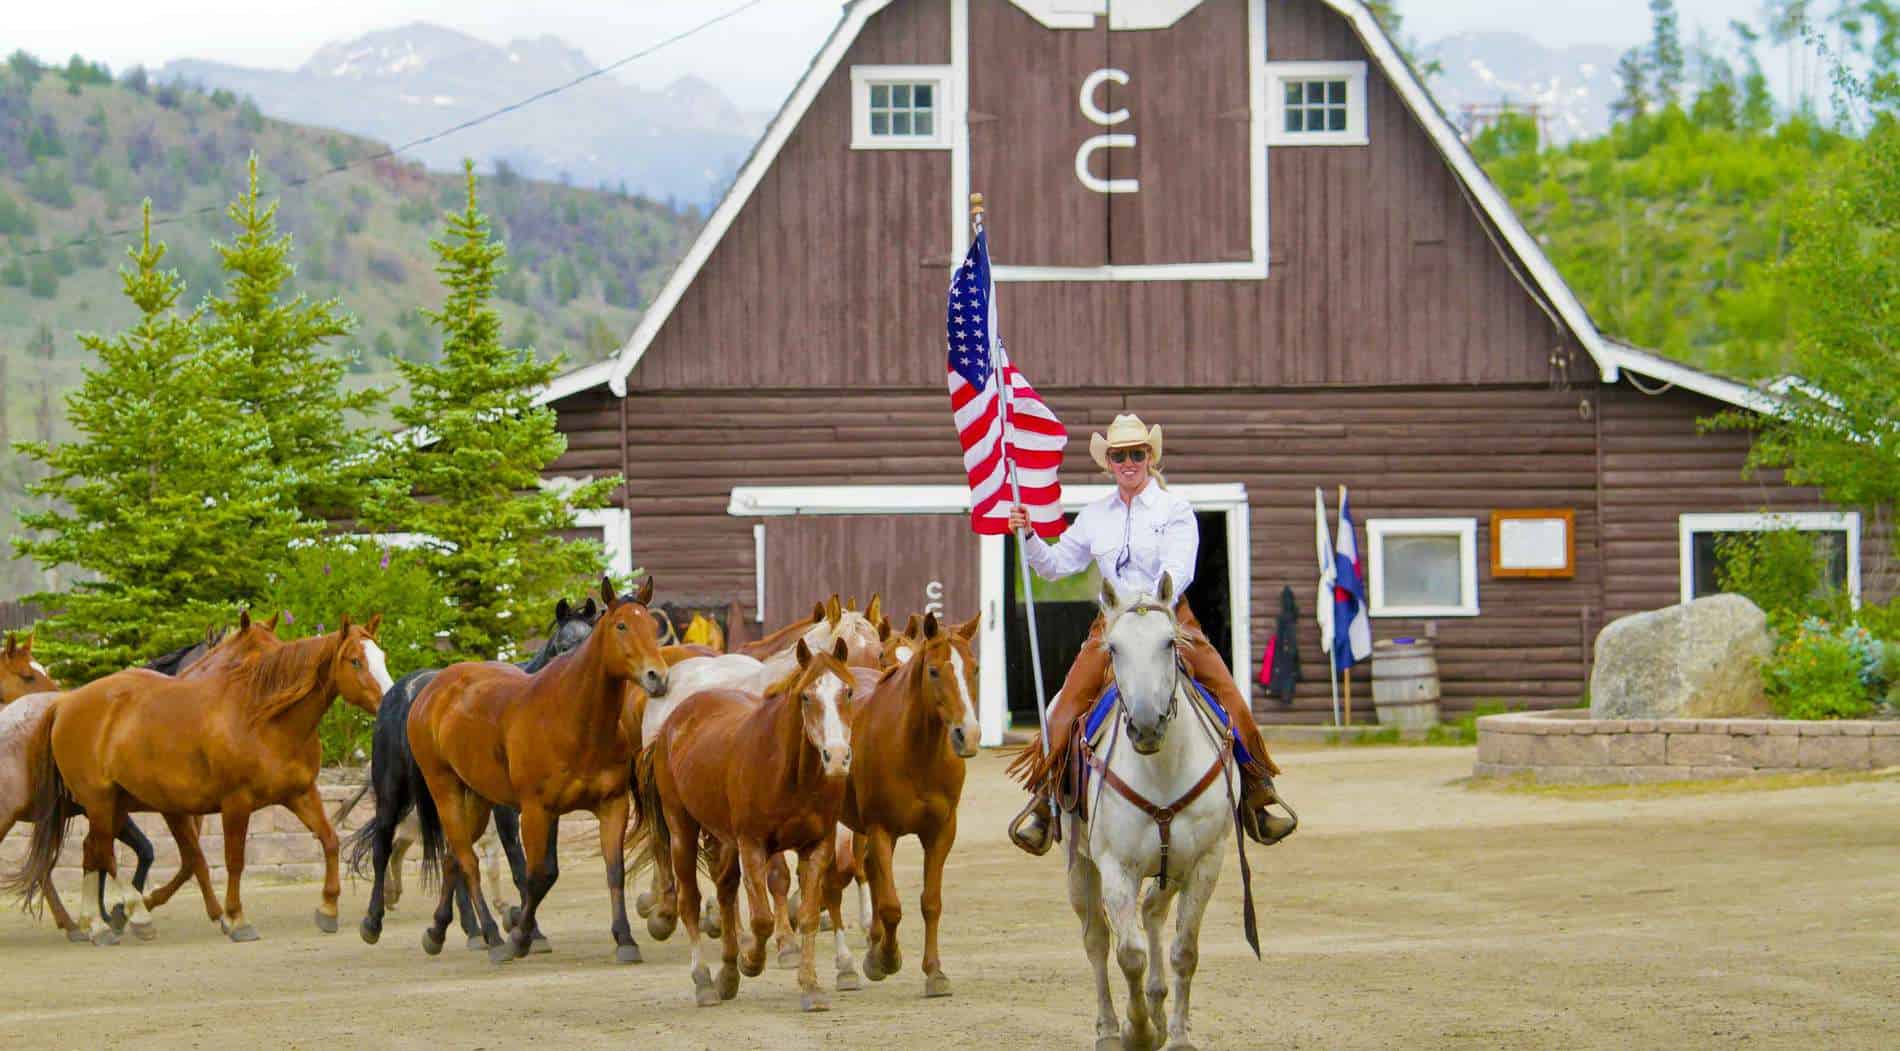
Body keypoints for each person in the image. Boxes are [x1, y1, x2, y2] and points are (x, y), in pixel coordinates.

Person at [1005, 413, 1296, 855]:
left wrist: (1153, 607)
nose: (1128, 462)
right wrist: (1027, 536)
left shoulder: (1174, 510)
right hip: (1112, 626)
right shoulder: (1094, 516)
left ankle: (1257, 792)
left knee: (1230, 697)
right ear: (1108, 462)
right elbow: (1057, 565)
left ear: (1149, 456)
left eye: (1136, 454)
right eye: (1119, 455)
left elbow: (1180, 569)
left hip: (1171, 619)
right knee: (1061, 712)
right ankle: (1045, 803)